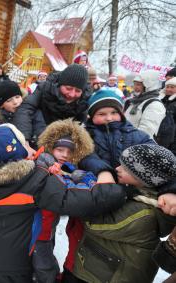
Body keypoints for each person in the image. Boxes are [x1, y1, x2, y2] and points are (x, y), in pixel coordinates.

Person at [0, 124, 126, 283]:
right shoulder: (35, 180)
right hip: (12, 261)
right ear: (18, 150)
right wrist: (114, 189)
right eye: (24, 143)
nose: (29, 145)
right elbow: (80, 200)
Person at [61, 89, 155, 281]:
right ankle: (74, 271)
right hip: (97, 193)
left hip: (129, 196)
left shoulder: (137, 136)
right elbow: (85, 155)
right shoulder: (84, 135)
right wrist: (104, 171)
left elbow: (160, 160)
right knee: (81, 239)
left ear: (121, 113)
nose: (109, 118)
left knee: (116, 243)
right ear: (91, 115)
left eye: (113, 113)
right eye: (101, 114)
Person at [72, 144, 176, 283]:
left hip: (108, 275)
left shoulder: (143, 214)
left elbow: (94, 223)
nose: (117, 169)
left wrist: (99, 193)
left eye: (126, 169)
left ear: (144, 179)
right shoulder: (139, 194)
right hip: (106, 268)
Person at [32, 119, 98, 283]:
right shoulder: (43, 165)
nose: (64, 155)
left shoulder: (67, 168)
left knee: (45, 255)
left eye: (69, 152)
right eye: (60, 149)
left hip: (48, 227)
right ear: (51, 148)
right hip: (39, 229)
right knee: (43, 263)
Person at [13, 64, 90, 147]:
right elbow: (25, 109)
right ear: (60, 84)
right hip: (36, 136)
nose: (72, 94)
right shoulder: (44, 88)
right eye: (68, 88)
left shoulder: (83, 103)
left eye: (78, 91)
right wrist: (24, 140)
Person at [124, 70, 166, 139]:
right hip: (127, 141)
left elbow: (146, 132)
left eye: (138, 84)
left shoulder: (154, 105)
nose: (135, 87)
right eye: (134, 84)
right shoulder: (136, 101)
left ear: (149, 86)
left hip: (137, 145)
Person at [158, 77, 176, 154]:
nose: (168, 89)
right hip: (160, 136)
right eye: (167, 87)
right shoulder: (160, 100)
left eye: (172, 87)